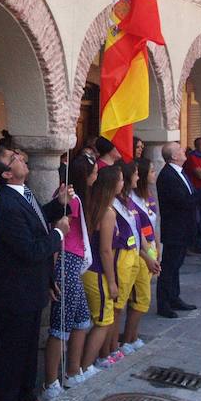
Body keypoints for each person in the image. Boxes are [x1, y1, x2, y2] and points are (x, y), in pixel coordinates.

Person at [0, 147, 70, 401]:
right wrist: (59, 233)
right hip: (16, 290)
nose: (21, 158)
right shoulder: (6, 204)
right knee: (11, 350)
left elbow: (37, 222)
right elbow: (30, 249)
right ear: (7, 173)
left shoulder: (23, 192)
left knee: (29, 345)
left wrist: (57, 204)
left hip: (33, 286)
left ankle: (24, 394)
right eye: (13, 159)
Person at [42, 154, 98, 400]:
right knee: (61, 324)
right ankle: (50, 381)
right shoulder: (70, 199)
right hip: (66, 262)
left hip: (75, 263)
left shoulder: (79, 197)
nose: (96, 176)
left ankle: (72, 371)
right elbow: (58, 233)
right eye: (94, 172)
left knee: (81, 320)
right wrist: (51, 273)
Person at [155, 142, 201, 317]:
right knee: (169, 267)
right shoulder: (168, 175)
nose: (185, 152)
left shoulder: (180, 172)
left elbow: (190, 194)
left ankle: (174, 297)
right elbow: (184, 201)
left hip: (183, 227)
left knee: (176, 266)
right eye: (181, 150)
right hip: (175, 228)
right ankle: (164, 303)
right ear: (174, 156)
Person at [80, 166, 124, 367]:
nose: (122, 183)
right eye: (120, 180)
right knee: (104, 320)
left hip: (90, 270)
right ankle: (87, 365)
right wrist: (112, 281)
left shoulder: (95, 205)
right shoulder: (107, 212)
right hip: (97, 271)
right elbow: (105, 250)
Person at [104, 161, 142, 363]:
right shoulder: (111, 206)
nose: (138, 178)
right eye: (133, 175)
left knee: (121, 306)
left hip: (132, 254)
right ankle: (109, 349)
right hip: (120, 257)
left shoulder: (126, 200)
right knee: (115, 308)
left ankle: (113, 345)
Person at [123, 157, 161, 352]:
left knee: (142, 298)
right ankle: (127, 340)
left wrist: (157, 251)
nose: (154, 174)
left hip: (150, 248)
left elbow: (154, 226)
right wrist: (147, 255)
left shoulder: (149, 196)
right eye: (151, 171)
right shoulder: (130, 199)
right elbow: (135, 231)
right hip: (138, 252)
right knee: (140, 297)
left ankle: (133, 336)